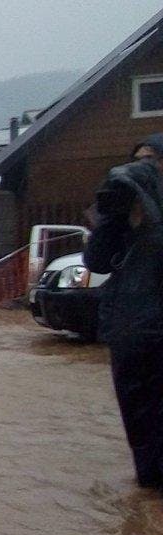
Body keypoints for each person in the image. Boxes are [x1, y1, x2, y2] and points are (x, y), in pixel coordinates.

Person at [83, 134, 163, 489]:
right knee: (140, 421)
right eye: (138, 159)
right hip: (132, 332)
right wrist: (113, 220)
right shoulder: (124, 214)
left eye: (152, 160)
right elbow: (97, 262)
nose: (141, 168)